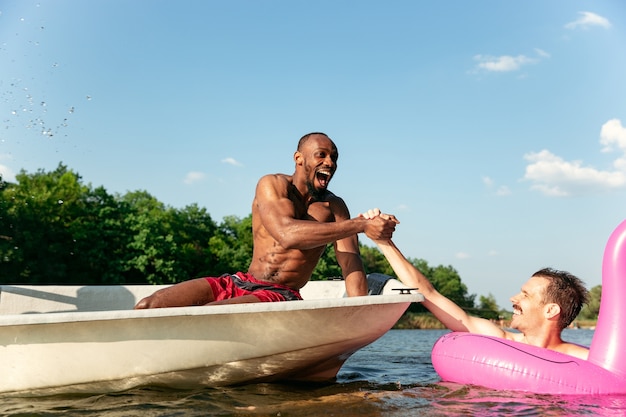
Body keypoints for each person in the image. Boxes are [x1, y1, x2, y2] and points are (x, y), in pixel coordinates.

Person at [134, 132, 398, 309]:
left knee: (211, 313)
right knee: (150, 305)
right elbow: (287, 234)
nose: (330, 162)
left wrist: (359, 311)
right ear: (299, 159)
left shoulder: (335, 207)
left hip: (280, 294)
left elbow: (350, 262)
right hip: (238, 282)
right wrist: (361, 224)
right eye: (322, 155)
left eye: (334, 157)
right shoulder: (271, 184)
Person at [359, 209, 590, 360]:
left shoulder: (584, 358)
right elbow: (429, 294)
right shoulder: (500, 340)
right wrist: (384, 242)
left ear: (551, 310)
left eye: (525, 295)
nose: (513, 298)